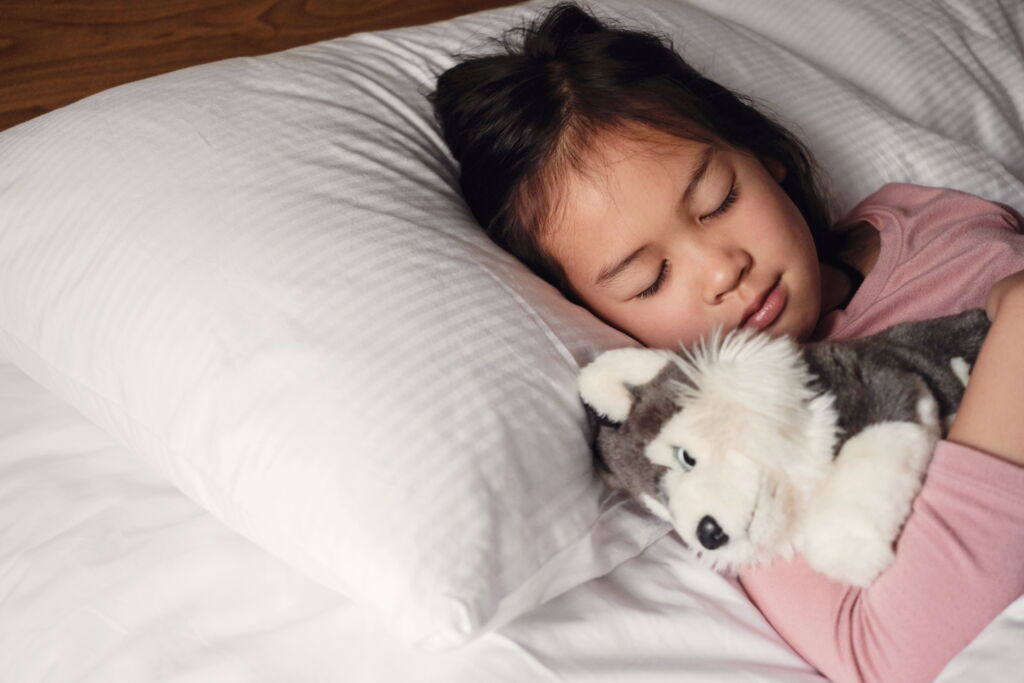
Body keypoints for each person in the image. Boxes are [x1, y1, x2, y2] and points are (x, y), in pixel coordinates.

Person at [429, 3, 1024, 682]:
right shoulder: (727, 445)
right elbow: (888, 653)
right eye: (651, 279)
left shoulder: (927, 220)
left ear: (764, 157)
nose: (722, 268)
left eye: (716, 201)